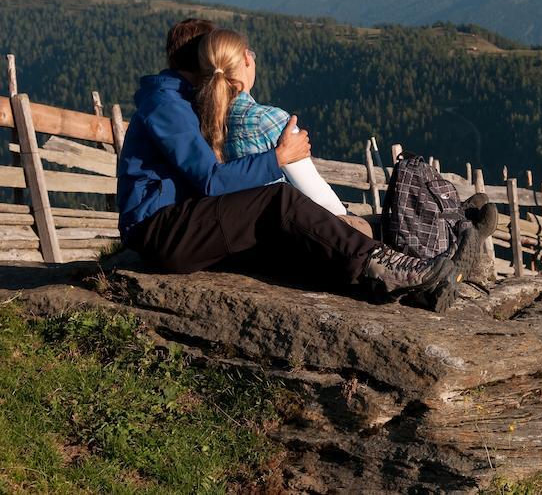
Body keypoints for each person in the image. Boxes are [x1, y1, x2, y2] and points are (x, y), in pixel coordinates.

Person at [115, 18, 467, 311]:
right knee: (277, 201)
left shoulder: (185, 101)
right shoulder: (167, 106)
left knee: (288, 239)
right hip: (159, 230)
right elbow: (209, 179)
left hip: (183, 226)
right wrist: (278, 158)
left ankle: (415, 288)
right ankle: (385, 265)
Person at [192, 28, 372, 238]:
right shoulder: (269, 120)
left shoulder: (199, 124)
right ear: (246, 59)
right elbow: (320, 198)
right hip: (288, 237)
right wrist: (352, 223)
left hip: (237, 238)